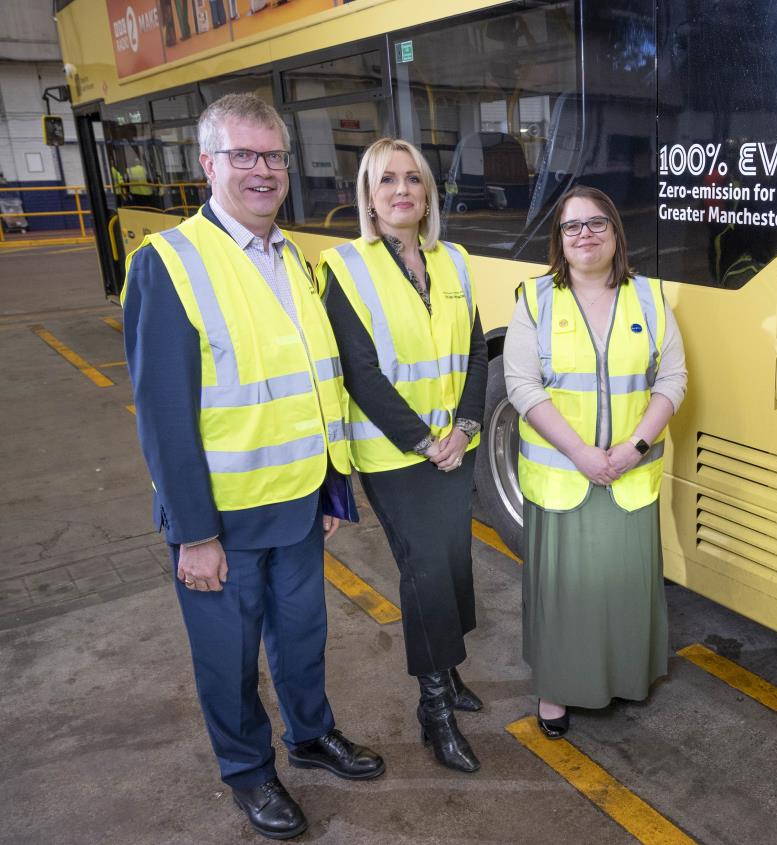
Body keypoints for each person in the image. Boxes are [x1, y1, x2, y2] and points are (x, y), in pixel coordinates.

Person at [122, 93, 384, 842]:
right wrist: (194, 534)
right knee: (228, 660)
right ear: (208, 163)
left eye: (274, 155)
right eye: (244, 155)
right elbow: (165, 416)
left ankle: (310, 734)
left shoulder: (290, 256)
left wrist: (334, 486)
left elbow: (312, 382)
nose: (264, 171)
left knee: (302, 638)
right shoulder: (169, 263)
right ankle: (248, 771)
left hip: (298, 503)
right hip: (222, 519)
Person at [318, 138, 487, 773]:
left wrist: (465, 428)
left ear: (428, 194)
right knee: (424, 572)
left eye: (413, 179)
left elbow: (474, 350)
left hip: (455, 445)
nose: (401, 191)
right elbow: (360, 372)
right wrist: (424, 441)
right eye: (386, 180)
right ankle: (435, 706)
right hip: (397, 456)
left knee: (453, 562)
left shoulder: (456, 260)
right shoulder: (344, 268)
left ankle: (450, 671)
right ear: (367, 196)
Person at [504, 185, 687, 737]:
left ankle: (626, 676)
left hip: (629, 476)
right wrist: (582, 454)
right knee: (566, 593)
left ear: (615, 232)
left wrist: (632, 449)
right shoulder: (535, 300)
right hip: (564, 479)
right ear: (559, 241)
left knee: (623, 587)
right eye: (571, 227)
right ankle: (558, 691)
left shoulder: (650, 298)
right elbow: (520, 385)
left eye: (596, 224)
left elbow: (673, 379)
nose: (584, 235)